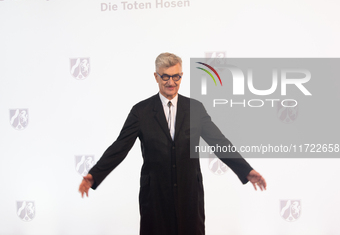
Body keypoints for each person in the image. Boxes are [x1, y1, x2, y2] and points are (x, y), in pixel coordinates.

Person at [78, 52, 267, 235]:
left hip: (189, 193)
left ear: (181, 76)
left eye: (176, 77)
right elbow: (120, 147)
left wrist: (245, 170)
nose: (171, 82)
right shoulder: (141, 111)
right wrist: (94, 175)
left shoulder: (195, 108)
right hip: (155, 195)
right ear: (156, 76)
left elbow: (219, 142)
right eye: (165, 77)